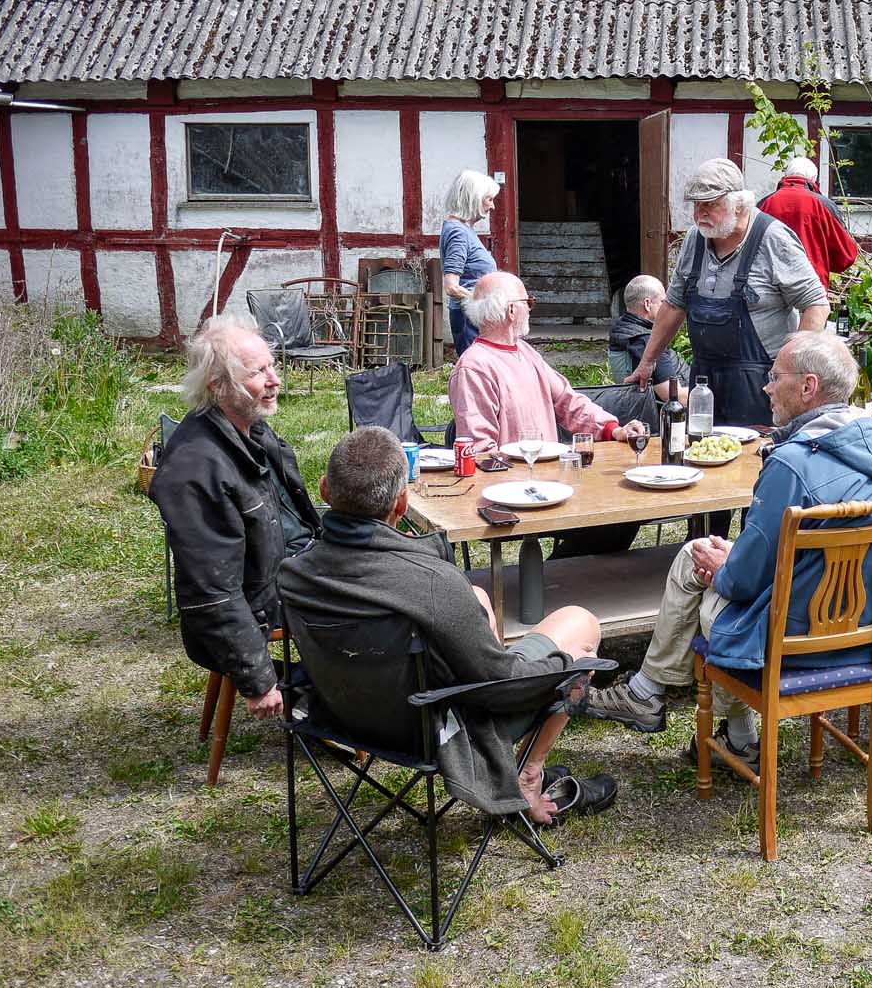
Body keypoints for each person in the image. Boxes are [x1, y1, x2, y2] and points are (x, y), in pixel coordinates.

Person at [584, 332, 872, 766]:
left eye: (775, 377)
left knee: (705, 580)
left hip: (793, 634)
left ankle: (714, 724)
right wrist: (730, 562)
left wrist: (726, 567)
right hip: (863, 626)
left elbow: (743, 583)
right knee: (699, 555)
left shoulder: (791, 465)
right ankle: (660, 699)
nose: (766, 387)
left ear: (808, 386)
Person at [278, 427, 615, 823]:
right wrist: (567, 665)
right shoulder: (431, 582)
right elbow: (503, 684)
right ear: (401, 503)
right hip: (441, 732)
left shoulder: (294, 574)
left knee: (477, 597)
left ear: (324, 489)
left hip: (346, 718)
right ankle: (527, 777)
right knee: (580, 626)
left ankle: (519, 768)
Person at [150, 314, 320, 722]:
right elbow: (213, 591)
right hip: (267, 599)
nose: (275, 380)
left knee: (412, 567)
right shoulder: (195, 470)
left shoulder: (250, 429)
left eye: (272, 366)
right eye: (258, 372)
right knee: (387, 600)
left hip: (297, 564)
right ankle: (365, 709)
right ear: (218, 385)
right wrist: (258, 678)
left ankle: (346, 695)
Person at [623, 158, 829, 427]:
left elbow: (816, 304)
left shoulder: (773, 239)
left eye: (710, 205)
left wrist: (793, 370)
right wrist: (647, 362)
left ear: (738, 204)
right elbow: (673, 305)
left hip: (762, 388)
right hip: (705, 383)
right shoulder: (695, 239)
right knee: (702, 449)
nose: (699, 215)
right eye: (696, 206)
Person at [449, 271, 649, 454]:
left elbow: (567, 402)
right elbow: (480, 451)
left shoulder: (524, 350)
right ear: (511, 310)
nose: (530, 309)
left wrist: (613, 430)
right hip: (511, 480)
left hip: (545, 475)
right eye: (529, 302)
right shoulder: (473, 368)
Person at [756, 156, 859, 289]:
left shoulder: (764, 204)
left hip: (769, 286)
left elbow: (749, 249)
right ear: (813, 179)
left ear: (786, 176)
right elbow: (846, 255)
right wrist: (823, 260)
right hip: (811, 288)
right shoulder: (823, 204)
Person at [441, 170, 500, 359]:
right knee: (476, 369)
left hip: (472, 316)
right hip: (469, 317)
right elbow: (451, 287)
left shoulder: (463, 230)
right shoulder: (458, 233)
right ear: (473, 198)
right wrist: (485, 304)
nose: (492, 206)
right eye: (489, 199)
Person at [608, 274, 690, 404]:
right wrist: (710, 393)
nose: (666, 307)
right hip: (669, 413)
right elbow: (675, 398)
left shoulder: (622, 327)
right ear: (647, 304)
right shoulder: (647, 342)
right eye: (663, 302)